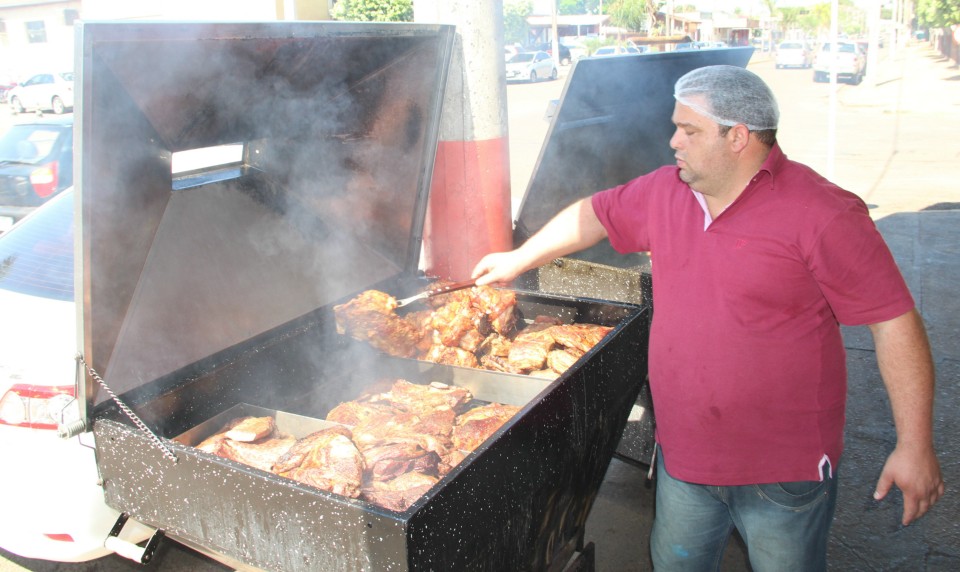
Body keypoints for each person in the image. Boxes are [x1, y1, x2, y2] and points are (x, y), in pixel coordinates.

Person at [471, 65, 944, 571]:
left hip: (783, 471)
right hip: (684, 459)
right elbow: (595, 214)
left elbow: (894, 322)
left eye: (689, 130)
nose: (673, 141)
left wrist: (914, 446)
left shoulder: (822, 212)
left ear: (738, 137)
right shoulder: (665, 191)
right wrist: (519, 259)